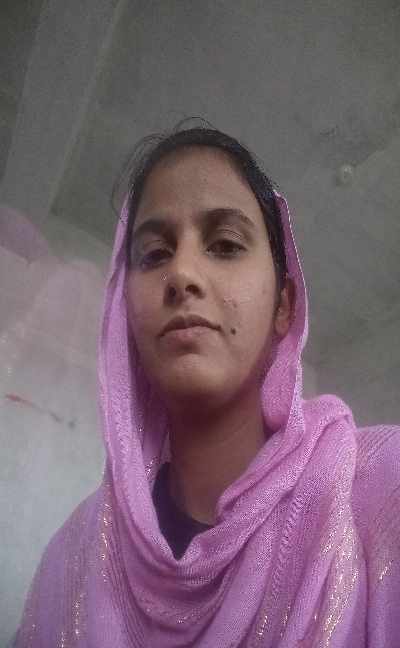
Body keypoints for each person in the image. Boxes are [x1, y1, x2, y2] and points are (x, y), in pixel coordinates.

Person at [14, 121, 400, 647]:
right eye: (154, 254)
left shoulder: (377, 494)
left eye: (225, 244)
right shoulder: (72, 561)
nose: (182, 274)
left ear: (284, 304)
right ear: (123, 312)